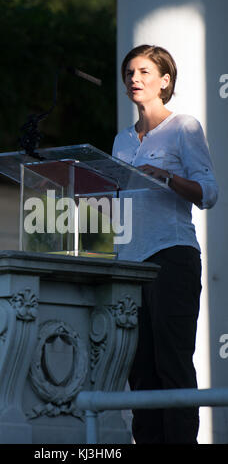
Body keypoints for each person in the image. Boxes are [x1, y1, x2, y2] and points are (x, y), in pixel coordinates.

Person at [112, 44, 218, 444]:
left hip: (171, 256)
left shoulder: (184, 127)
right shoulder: (121, 141)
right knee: (139, 371)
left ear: (165, 81)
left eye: (143, 72)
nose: (134, 79)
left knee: (172, 363)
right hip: (129, 265)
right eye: (128, 73)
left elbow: (209, 193)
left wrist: (166, 177)